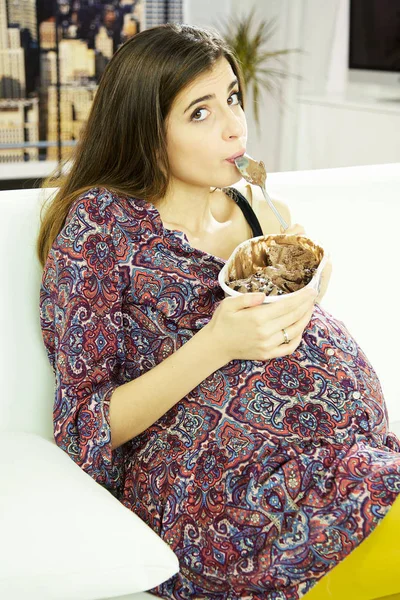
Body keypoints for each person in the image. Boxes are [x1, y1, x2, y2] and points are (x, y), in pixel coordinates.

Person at [37, 22, 400, 600]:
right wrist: (215, 343)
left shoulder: (260, 209)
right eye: (200, 113)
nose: (235, 124)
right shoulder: (101, 227)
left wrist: (311, 286)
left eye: (232, 96)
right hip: (218, 498)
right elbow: (83, 428)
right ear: (147, 133)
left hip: (350, 459)